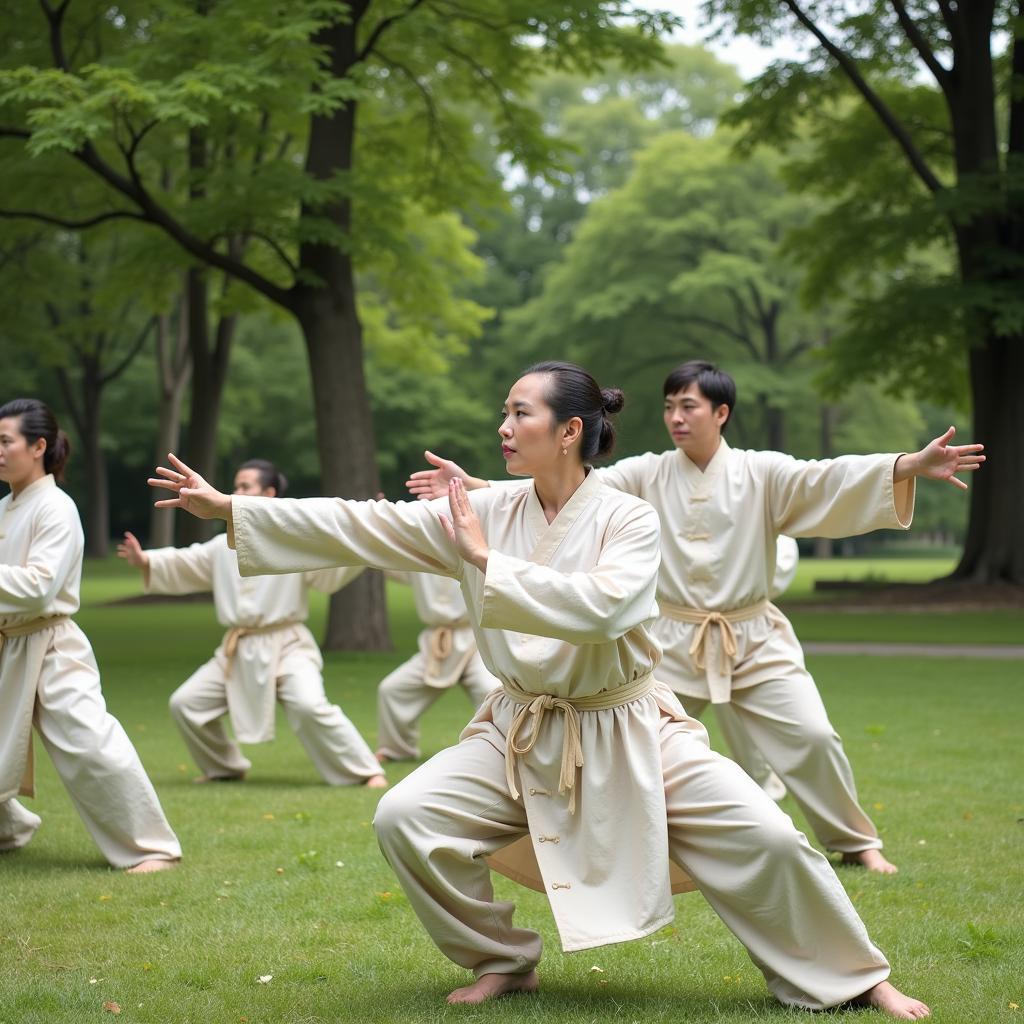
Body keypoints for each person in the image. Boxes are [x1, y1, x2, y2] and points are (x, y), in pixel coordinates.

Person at [149, 362, 929, 1019]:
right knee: (405, 817)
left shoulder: (628, 518)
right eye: (503, 412)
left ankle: (856, 977)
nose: (503, 425)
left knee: (765, 834)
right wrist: (233, 511)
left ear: (568, 430)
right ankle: (503, 956)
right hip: (518, 727)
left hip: (628, 723)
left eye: (519, 412)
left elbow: (604, 609)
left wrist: (487, 563)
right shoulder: (482, 510)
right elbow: (365, 524)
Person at [407, 360, 984, 876]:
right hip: (670, 642)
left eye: (689, 406)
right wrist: (479, 490)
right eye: (668, 406)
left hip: (754, 635)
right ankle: (625, 860)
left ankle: (856, 842)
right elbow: (570, 486)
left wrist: (908, 464)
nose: (676, 418)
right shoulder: (646, 475)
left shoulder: (764, 472)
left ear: (721, 412)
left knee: (811, 736)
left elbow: (826, 477)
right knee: (639, 758)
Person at [118, 459, 386, 789]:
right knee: (186, 704)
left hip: (287, 644)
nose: (236, 492)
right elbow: (185, 562)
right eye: (236, 485)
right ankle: (224, 766)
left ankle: (363, 771)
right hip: (238, 646)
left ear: (269, 494)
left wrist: (367, 532)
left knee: (308, 705)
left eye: (245, 487)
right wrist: (145, 560)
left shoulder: (294, 542)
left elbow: (332, 568)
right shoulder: (221, 546)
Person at [0, 398, 181, 872]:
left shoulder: (57, 508)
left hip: (51, 644)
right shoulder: (6, 507)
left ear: (38, 446)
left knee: (89, 743)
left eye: (5, 441)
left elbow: (40, 589)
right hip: (7, 643)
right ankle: (8, 828)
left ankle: (151, 847)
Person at [375, 571, 498, 763]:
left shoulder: (479, 548)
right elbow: (392, 563)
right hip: (436, 645)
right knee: (392, 689)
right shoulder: (422, 551)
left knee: (490, 690)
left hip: (476, 642)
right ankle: (396, 749)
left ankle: (499, 749)